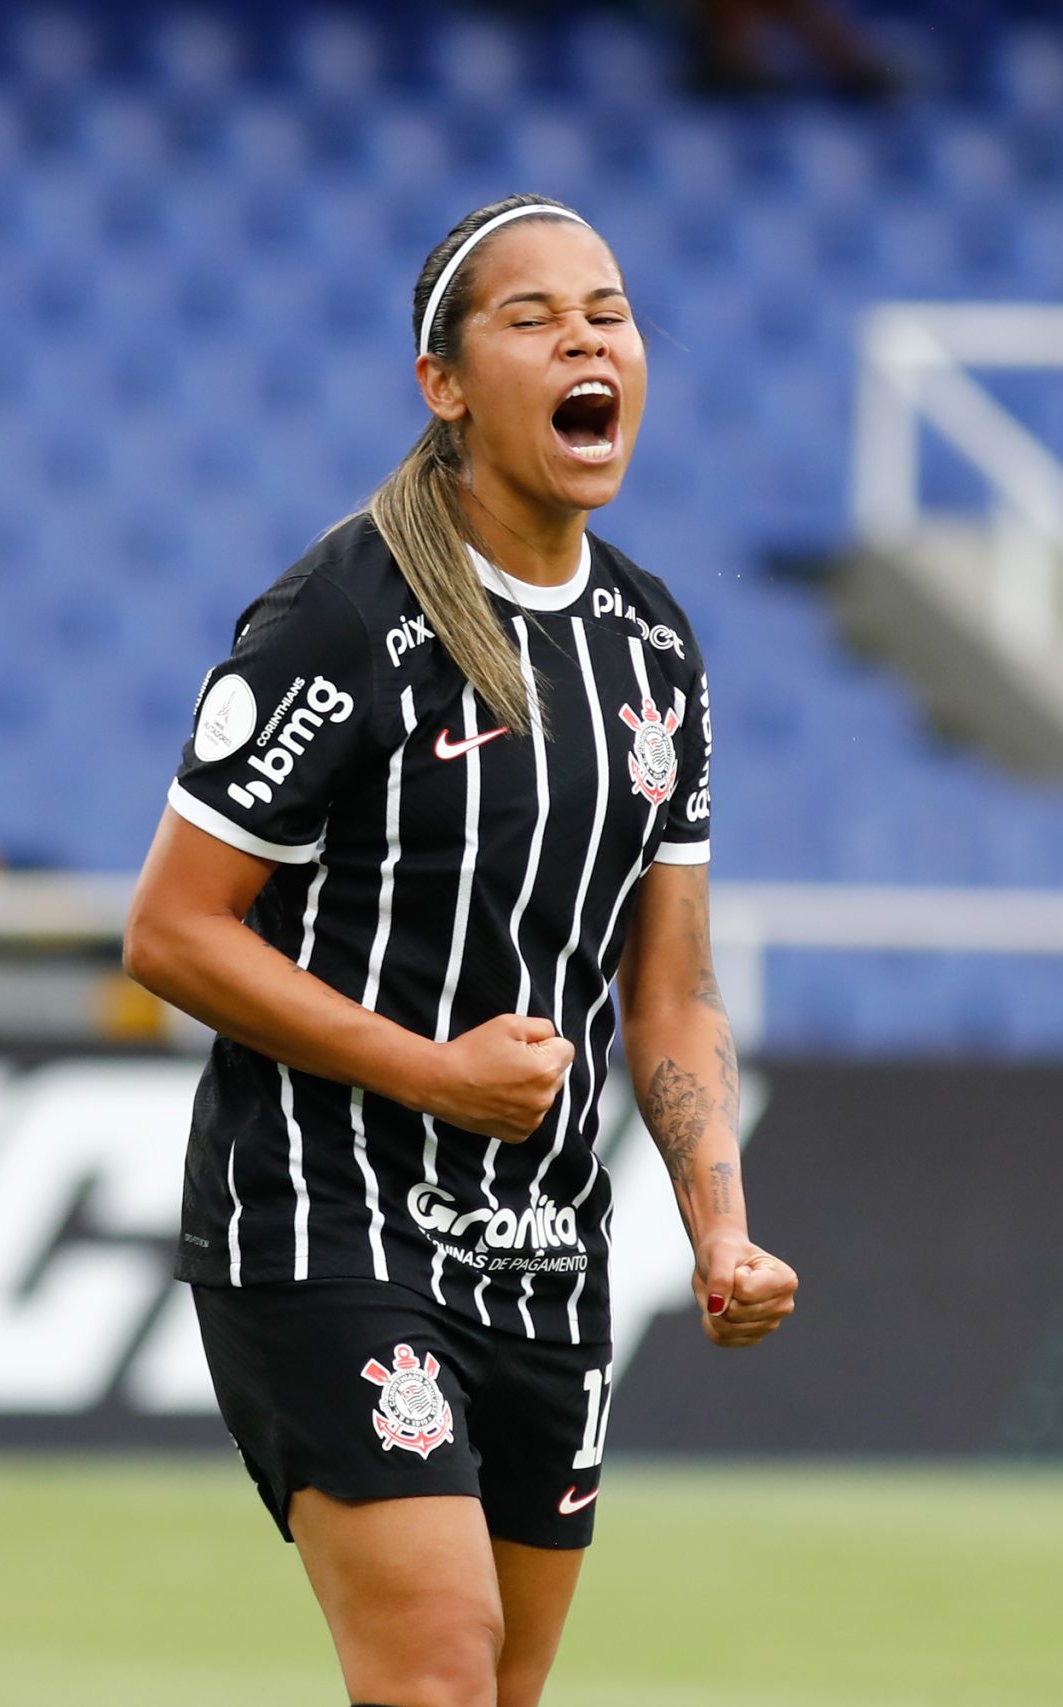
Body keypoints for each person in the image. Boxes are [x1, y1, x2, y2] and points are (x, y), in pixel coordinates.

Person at [123, 192, 797, 1707]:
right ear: (443, 383)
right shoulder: (341, 617)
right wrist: (433, 1071)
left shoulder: (655, 648)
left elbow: (670, 984)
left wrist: (719, 1223)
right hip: (326, 1222)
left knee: (500, 1691)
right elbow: (170, 928)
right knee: (436, 1670)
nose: (586, 339)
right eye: (533, 317)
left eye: (609, 313)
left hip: (545, 1249)